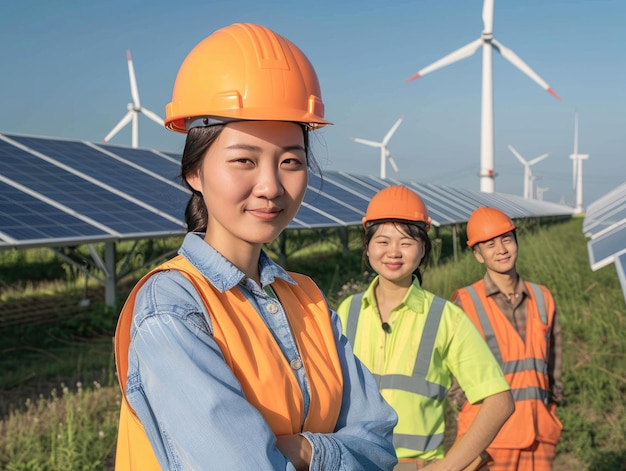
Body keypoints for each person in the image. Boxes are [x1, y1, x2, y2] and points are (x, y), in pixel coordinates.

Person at [113, 22, 398, 470]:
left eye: (291, 162)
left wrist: (300, 451)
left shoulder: (308, 299)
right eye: (244, 160)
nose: (270, 186)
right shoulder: (170, 307)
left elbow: (380, 446)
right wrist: (334, 451)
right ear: (194, 172)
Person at [336, 185, 514, 470]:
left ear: (423, 249)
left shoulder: (445, 317)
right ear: (367, 246)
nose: (393, 252)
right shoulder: (347, 311)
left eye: (406, 242)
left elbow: (499, 401)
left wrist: (447, 467)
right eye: (383, 241)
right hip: (351, 462)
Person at [450, 207, 563, 471]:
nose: (501, 249)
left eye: (507, 240)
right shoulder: (465, 302)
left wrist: (552, 405)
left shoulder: (542, 296)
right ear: (478, 255)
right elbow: (450, 368)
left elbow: (554, 358)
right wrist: (465, 405)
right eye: (490, 244)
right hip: (491, 438)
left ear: (516, 242)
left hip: (539, 433)